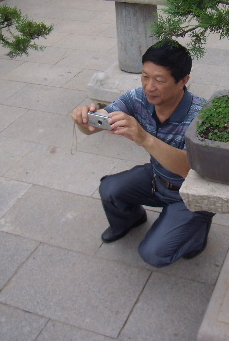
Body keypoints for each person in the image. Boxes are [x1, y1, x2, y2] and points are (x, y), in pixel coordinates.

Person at [71, 40, 214, 268]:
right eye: (145, 76)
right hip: (157, 176)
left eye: (160, 80)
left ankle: (196, 233)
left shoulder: (202, 116)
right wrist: (84, 120)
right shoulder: (138, 98)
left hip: (190, 193)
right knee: (110, 188)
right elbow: (93, 127)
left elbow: (191, 170)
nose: (149, 87)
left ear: (183, 81)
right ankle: (131, 219)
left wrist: (145, 138)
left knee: (154, 254)